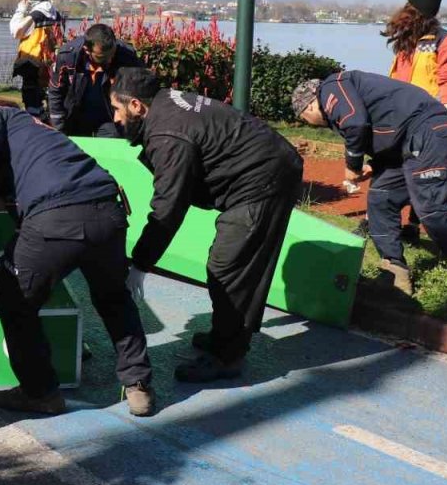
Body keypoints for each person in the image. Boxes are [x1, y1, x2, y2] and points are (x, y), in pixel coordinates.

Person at [0, 102, 156, 417]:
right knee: (113, 297)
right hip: (109, 210)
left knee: (16, 302)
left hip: (57, 217)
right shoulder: (43, 136)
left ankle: (40, 392)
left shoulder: (0, 113)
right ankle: (139, 385)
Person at [111, 68, 304, 382]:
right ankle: (223, 336)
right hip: (259, 170)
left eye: (117, 109)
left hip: (264, 179)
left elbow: (168, 209)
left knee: (228, 267)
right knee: (228, 263)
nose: (116, 119)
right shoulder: (165, 105)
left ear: (136, 106)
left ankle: (228, 357)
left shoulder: (168, 134)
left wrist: (141, 264)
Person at [293, 72, 447, 328]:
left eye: (304, 118)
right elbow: (384, 125)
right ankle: (395, 279)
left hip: (426, 132)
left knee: (434, 212)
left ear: (309, 105)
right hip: (408, 143)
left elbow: (355, 124)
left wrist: (352, 165)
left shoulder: (331, 87)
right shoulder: (343, 93)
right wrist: (372, 165)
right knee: (381, 198)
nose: (309, 123)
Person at [383, 0, 447, 240]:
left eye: (409, 7)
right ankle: (379, 221)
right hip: (398, 114)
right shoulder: (406, 38)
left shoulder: (444, 39)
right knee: (388, 165)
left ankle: (413, 227)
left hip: (425, 117)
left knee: (423, 172)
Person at [48, 22, 142, 138]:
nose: (109, 60)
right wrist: (58, 128)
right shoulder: (68, 56)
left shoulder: (127, 56)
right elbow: (56, 92)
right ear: (87, 50)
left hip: (109, 116)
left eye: (112, 54)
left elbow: (139, 91)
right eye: (102, 57)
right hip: (76, 115)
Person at [10, 0, 63, 116]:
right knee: (51, 96)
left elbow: (16, 31)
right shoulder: (55, 14)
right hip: (50, 62)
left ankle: (36, 124)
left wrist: (21, 8)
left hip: (32, 62)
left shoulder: (36, 15)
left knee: (32, 100)